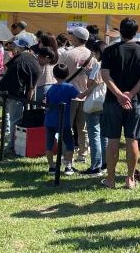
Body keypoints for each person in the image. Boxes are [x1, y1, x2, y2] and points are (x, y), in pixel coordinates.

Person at [101, 18, 140, 189]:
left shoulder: (109, 50)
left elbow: (105, 76)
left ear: (120, 31)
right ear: (135, 32)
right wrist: (130, 94)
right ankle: (130, 178)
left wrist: (119, 95)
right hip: (134, 101)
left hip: (112, 101)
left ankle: (111, 178)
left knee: (113, 140)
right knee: (132, 140)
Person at [58, 27, 94, 166]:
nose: (70, 37)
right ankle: (83, 154)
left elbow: (59, 72)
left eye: (71, 35)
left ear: (76, 38)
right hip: (85, 94)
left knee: (66, 126)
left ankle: (67, 154)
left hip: (69, 95)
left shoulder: (67, 54)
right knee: (82, 127)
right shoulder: (92, 55)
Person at [0, 36, 41, 154]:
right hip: (25, 92)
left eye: (16, 45)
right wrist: (29, 95)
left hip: (16, 93)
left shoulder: (19, 58)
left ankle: (12, 145)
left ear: (21, 47)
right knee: (18, 120)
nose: (14, 47)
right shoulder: (33, 59)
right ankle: (17, 144)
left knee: (15, 120)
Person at [45, 63, 79, 176]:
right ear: (68, 74)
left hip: (49, 120)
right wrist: (93, 87)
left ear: (54, 75)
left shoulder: (50, 89)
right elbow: (81, 96)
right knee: (69, 143)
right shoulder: (69, 87)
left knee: (49, 144)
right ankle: (68, 166)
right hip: (63, 122)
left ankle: (51, 167)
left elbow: (47, 102)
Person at [81, 40, 108, 175]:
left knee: (94, 134)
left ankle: (95, 165)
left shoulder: (97, 65)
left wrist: (88, 74)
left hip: (94, 102)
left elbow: (90, 85)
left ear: (97, 52)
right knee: (104, 134)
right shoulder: (110, 65)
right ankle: (104, 163)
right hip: (106, 101)